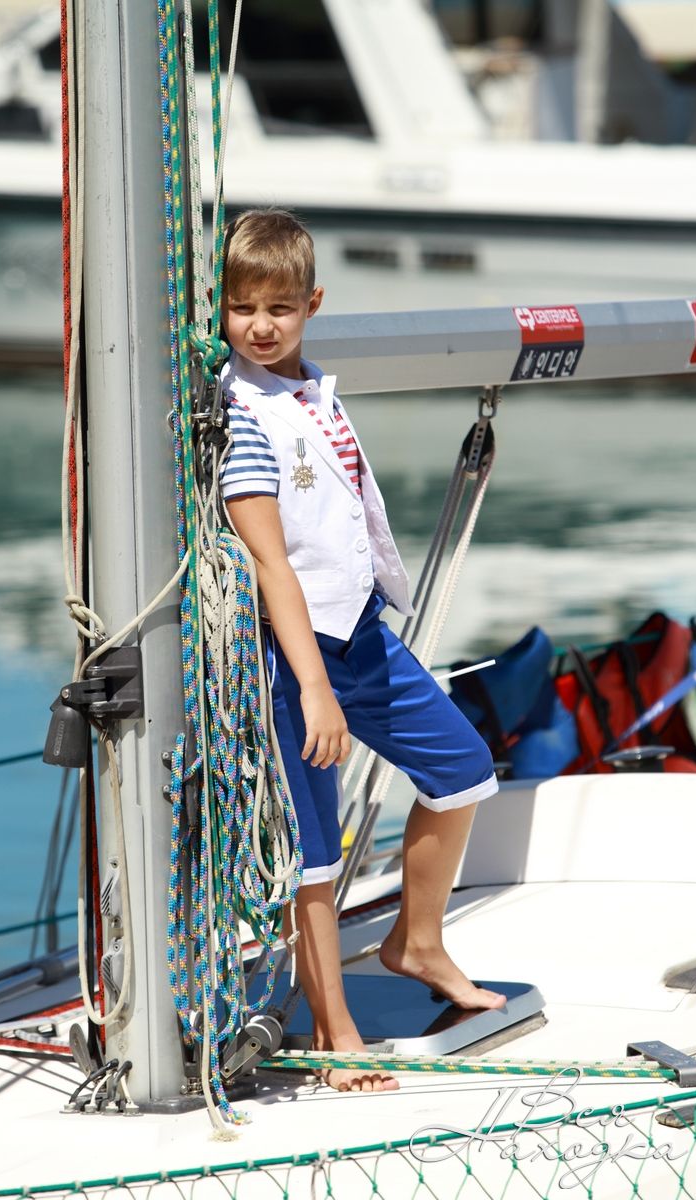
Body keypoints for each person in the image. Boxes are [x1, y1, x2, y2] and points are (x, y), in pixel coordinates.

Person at [218, 209, 504, 1094]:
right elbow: (269, 562)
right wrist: (313, 688)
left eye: (279, 308)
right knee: (314, 852)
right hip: (292, 655)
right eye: (241, 308)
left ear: (312, 306)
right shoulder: (239, 412)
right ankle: (336, 1033)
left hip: (361, 630)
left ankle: (415, 942)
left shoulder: (313, 391)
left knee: (462, 769)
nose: (261, 326)